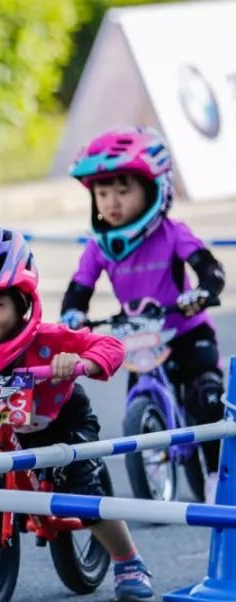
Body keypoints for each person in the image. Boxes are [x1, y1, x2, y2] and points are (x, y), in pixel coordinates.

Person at [0, 227, 155, 602]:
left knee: (84, 490)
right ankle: (15, 503)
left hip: (62, 418)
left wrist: (81, 360)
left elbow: (108, 345)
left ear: (23, 303)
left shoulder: (49, 339)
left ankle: (128, 561)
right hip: (6, 422)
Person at [60, 126, 226, 503]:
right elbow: (79, 290)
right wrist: (72, 315)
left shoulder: (172, 233)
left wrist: (202, 292)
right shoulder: (99, 248)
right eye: (102, 193)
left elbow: (210, 269)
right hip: (137, 336)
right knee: (137, 395)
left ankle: (217, 473)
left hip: (186, 331)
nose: (112, 202)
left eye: (123, 190)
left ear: (153, 190)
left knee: (208, 398)